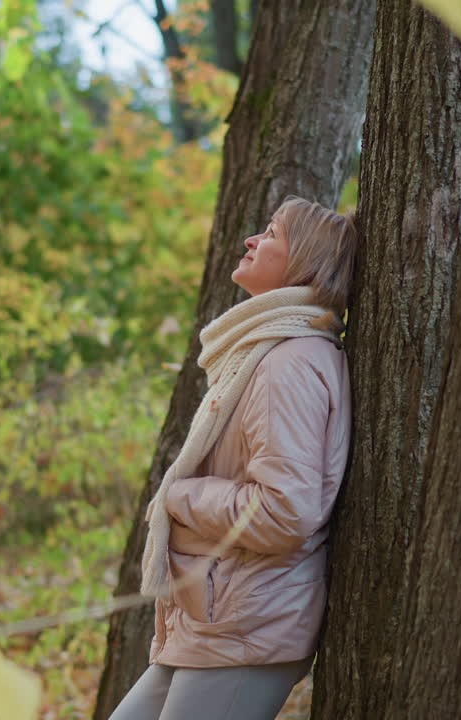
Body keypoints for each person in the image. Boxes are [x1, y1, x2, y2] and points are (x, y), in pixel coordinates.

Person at [110, 196, 357, 720]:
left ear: (304, 261)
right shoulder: (267, 353)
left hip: (248, 625)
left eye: (271, 234)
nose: (251, 240)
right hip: (215, 618)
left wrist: (180, 496)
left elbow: (284, 511)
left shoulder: (287, 365)